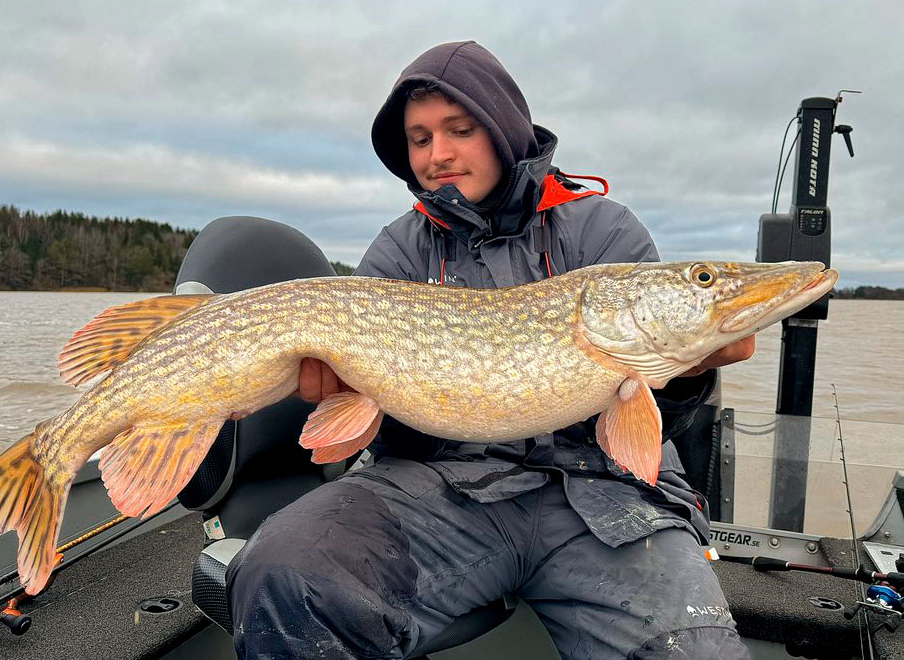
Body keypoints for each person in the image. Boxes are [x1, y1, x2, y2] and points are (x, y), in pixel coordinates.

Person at [226, 41, 754, 659]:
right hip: (442, 493)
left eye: (460, 130)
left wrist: (685, 375)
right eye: (420, 139)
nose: (438, 154)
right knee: (287, 572)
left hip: (605, 498)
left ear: (503, 132)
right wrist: (345, 394)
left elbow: (650, 418)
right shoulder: (398, 252)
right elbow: (375, 425)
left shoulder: (602, 230)